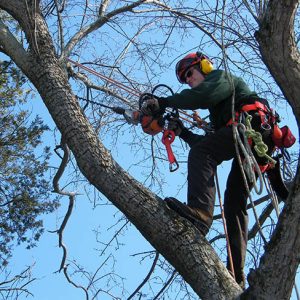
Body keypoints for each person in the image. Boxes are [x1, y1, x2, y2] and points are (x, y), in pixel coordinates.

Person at [141, 52, 276, 289]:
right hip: (247, 139)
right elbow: (210, 144)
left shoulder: (221, 78)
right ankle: (236, 274)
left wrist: (164, 102)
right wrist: (183, 132)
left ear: (204, 66)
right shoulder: (219, 111)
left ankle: (201, 214)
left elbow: (202, 96)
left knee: (203, 154)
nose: (188, 80)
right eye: (184, 79)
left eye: (190, 74)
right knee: (234, 203)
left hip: (253, 128)